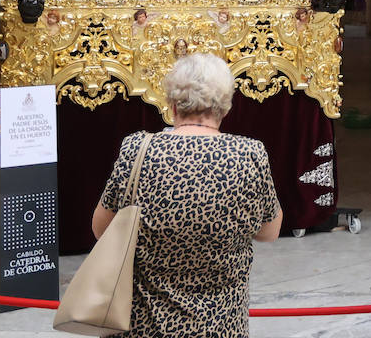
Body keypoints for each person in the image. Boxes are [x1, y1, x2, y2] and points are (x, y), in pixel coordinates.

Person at [93, 53, 282, 338]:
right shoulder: (249, 154)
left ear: (171, 105)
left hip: (144, 326)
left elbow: (100, 228)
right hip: (221, 327)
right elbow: (269, 231)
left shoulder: (137, 150)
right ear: (225, 108)